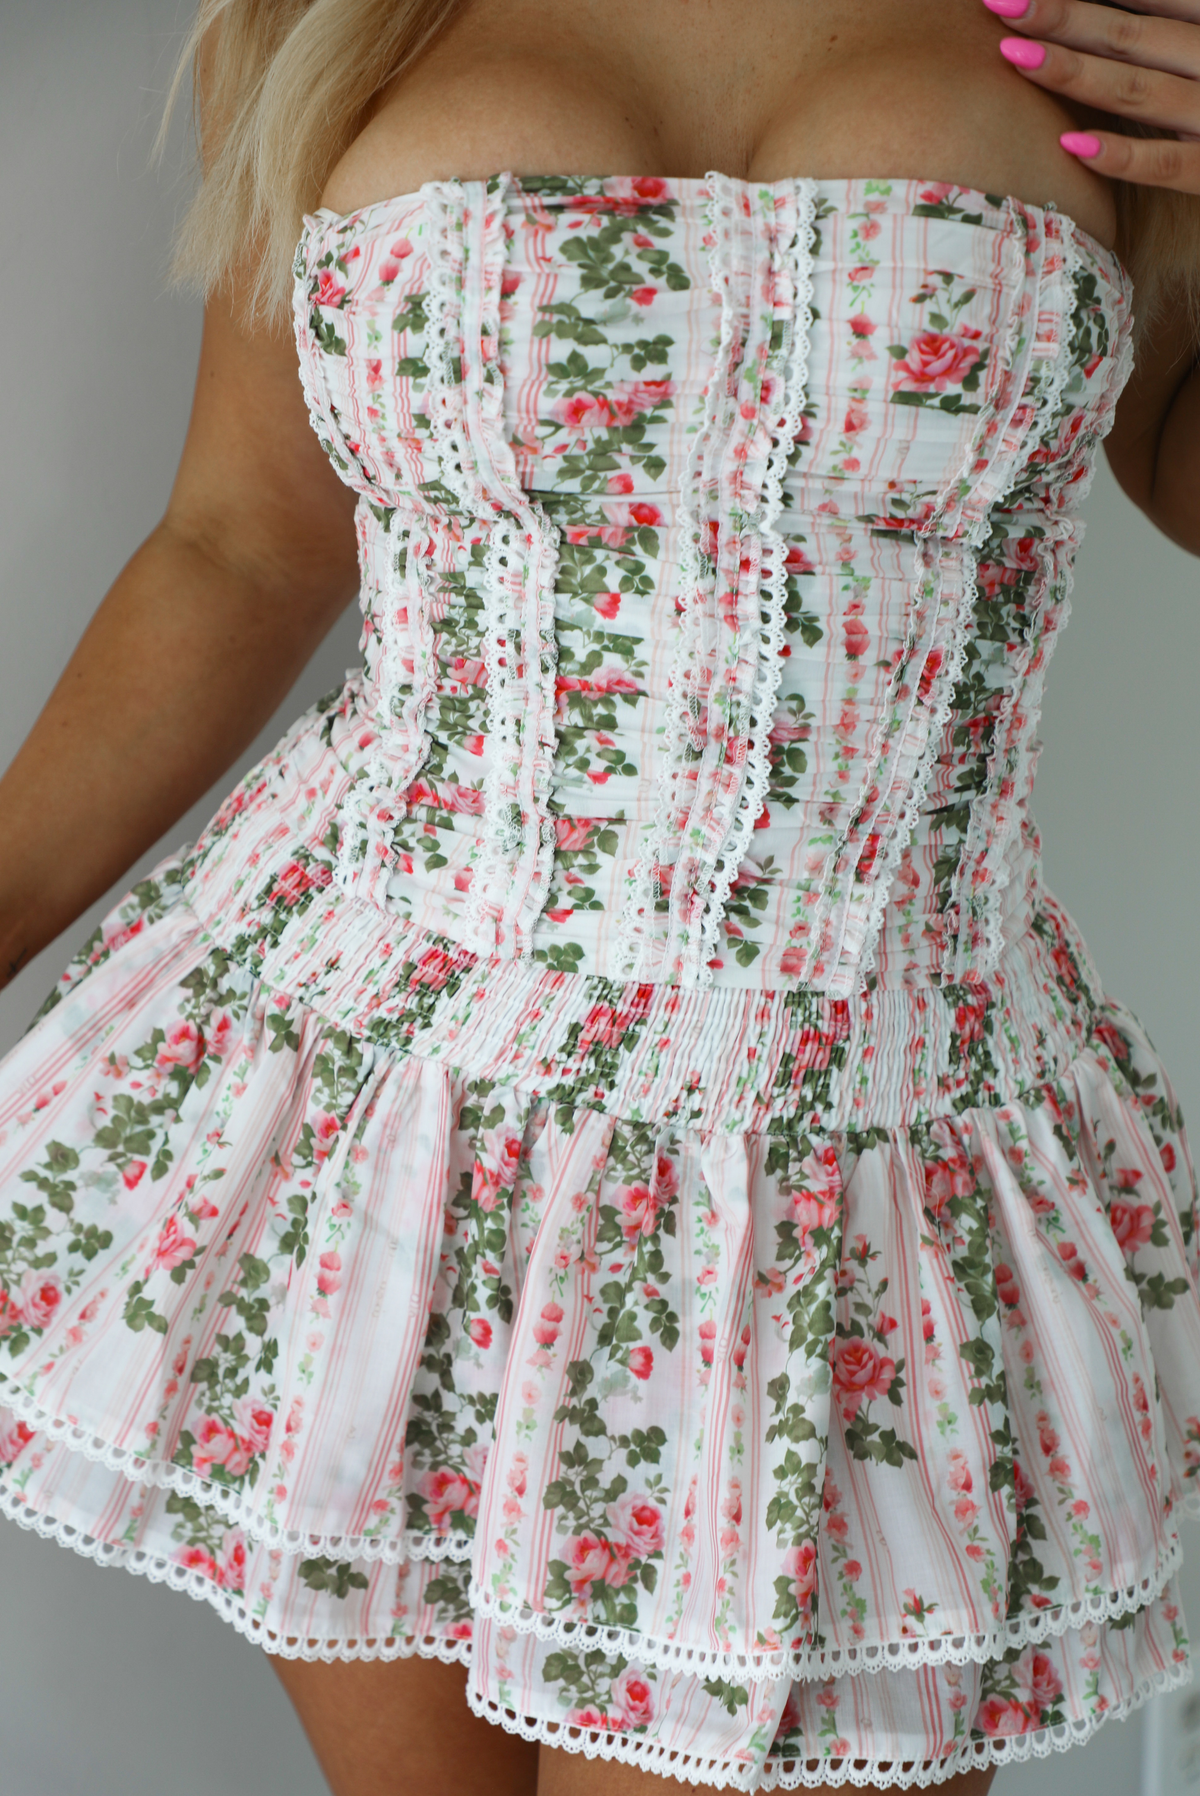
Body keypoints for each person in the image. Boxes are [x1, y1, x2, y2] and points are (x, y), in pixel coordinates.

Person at [1, 0, 1199, 1789]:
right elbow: (241, 543)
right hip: (390, 1126)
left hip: (843, 1171)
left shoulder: (1125, 19)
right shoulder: (339, 19)